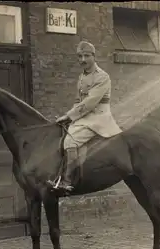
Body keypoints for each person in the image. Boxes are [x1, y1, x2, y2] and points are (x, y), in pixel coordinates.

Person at [53, 41, 123, 192]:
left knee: (70, 140)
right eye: (80, 56)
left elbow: (91, 102)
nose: (83, 60)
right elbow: (78, 101)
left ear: (93, 56)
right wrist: (67, 116)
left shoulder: (102, 77)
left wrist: (69, 116)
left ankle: (67, 181)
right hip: (85, 116)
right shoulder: (82, 77)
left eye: (86, 56)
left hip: (98, 117)